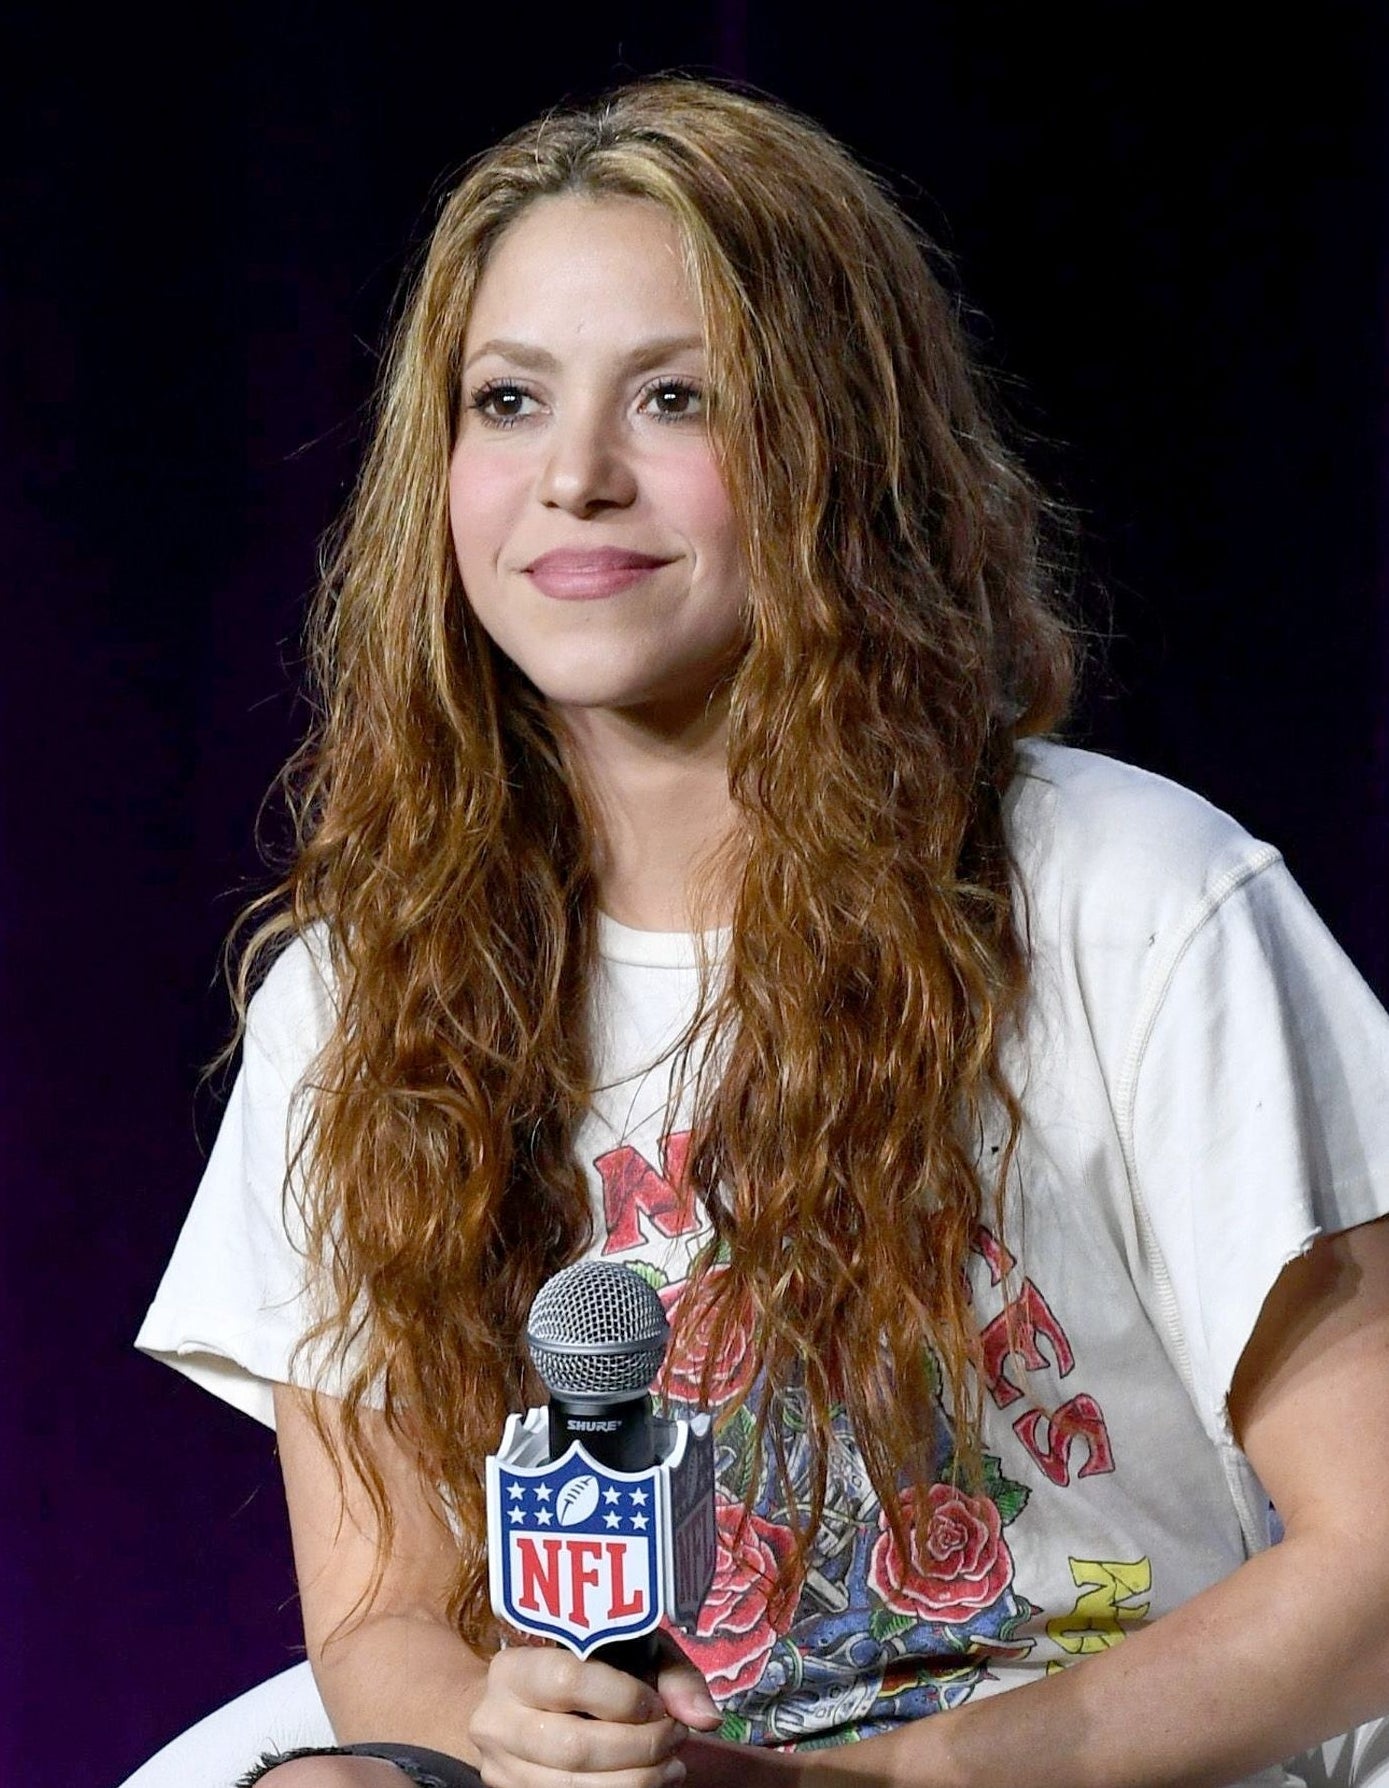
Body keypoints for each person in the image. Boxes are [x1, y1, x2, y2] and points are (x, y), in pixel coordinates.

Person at [136, 77, 1389, 1788]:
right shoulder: (351, 999)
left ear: (834, 449)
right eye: (507, 401)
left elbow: (1373, 1564)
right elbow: (381, 1632)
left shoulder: (1130, 895)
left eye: (674, 398)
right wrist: (526, 1743)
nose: (573, 477)